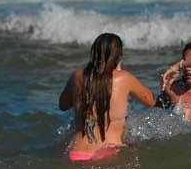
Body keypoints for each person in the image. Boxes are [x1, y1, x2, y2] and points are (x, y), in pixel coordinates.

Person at [58, 32, 157, 162]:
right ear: (119, 56)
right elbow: (151, 101)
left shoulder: (77, 76)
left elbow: (63, 105)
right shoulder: (124, 78)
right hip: (109, 152)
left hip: (78, 152)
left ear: (93, 52)